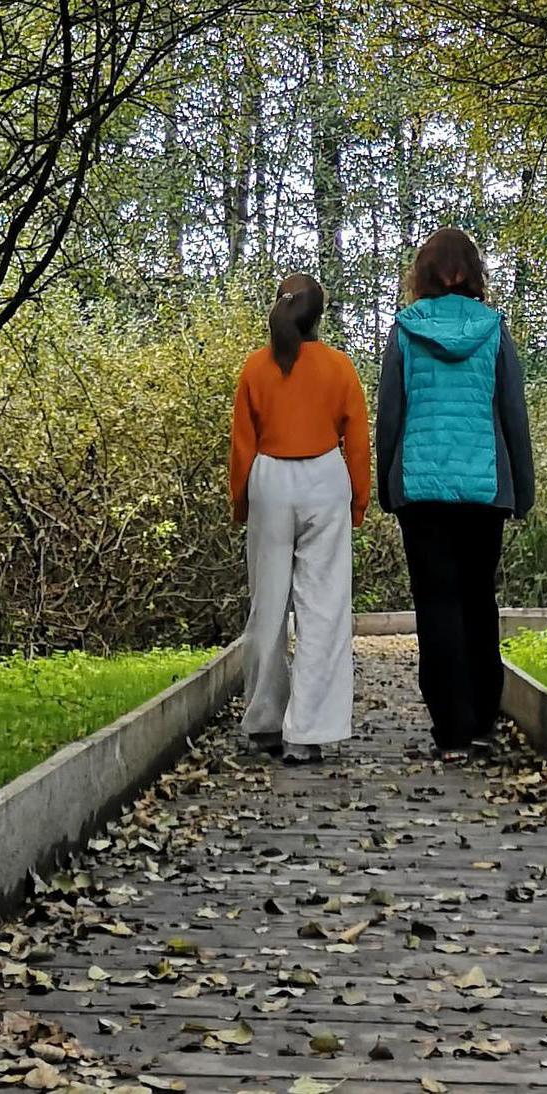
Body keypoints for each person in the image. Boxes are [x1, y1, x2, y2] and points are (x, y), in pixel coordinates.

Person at [375, 228, 535, 761]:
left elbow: (391, 416)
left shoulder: (404, 330)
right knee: (477, 598)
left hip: (420, 490)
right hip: (484, 488)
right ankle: (484, 721)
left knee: (436, 603)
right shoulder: (493, 329)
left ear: (422, 275)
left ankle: (450, 730)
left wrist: (385, 482)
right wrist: (523, 489)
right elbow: (513, 412)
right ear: (472, 272)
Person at [229, 272, 371, 763]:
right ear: (319, 317)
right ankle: (307, 731)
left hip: (269, 479)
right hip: (325, 479)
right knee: (324, 609)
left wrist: (240, 501)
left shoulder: (255, 368)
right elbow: (356, 440)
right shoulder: (339, 367)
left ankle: (264, 719)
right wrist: (358, 500)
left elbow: (242, 444)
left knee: (267, 604)